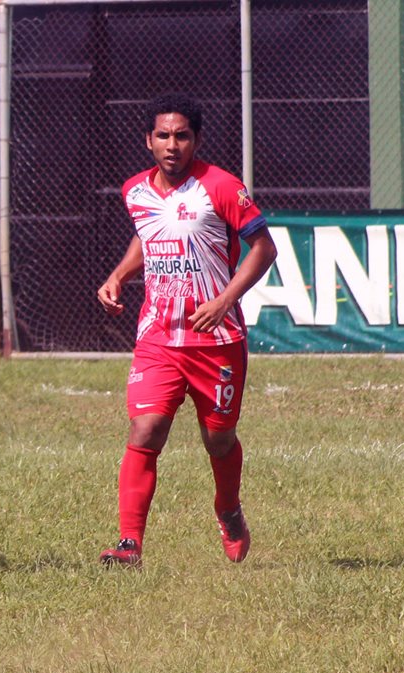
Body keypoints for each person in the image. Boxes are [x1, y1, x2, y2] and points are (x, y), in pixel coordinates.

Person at [97, 93, 277, 567]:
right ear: (148, 141)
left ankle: (228, 508)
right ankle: (129, 542)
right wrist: (119, 275)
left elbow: (264, 247)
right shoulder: (135, 191)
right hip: (159, 336)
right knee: (146, 428)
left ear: (195, 140)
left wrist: (224, 301)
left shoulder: (221, 187)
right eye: (163, 135)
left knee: (218, 438)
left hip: (217, 342)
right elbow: (149, 236)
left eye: (181, 136)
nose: (172, 144)